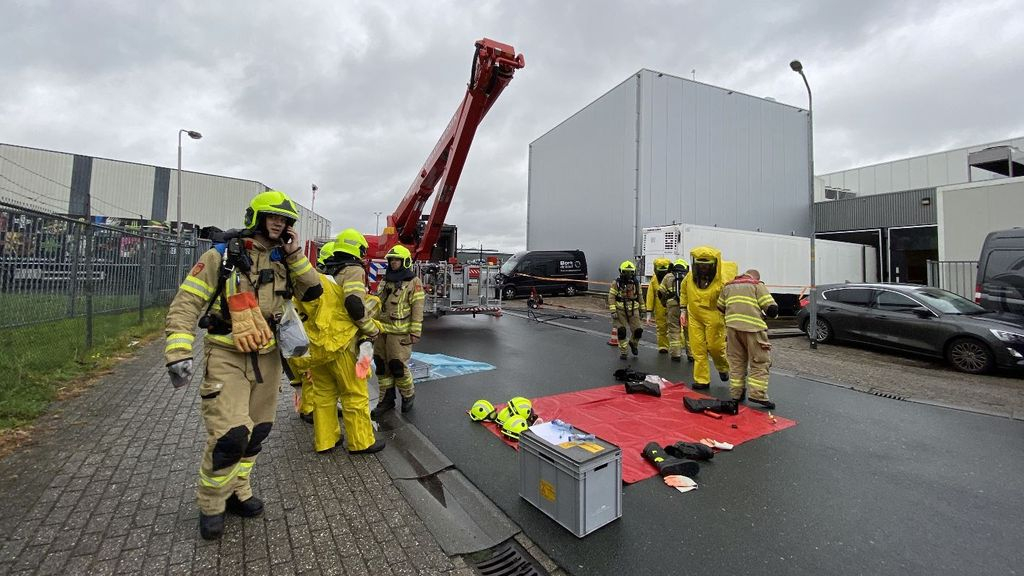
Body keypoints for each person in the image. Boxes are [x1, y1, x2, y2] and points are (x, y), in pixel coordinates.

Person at [164, 190, 322, 540]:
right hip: (227, 354)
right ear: (257, 218)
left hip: (268, 357)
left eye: (284, 220)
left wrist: (295, 254)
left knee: (257, 432)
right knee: (231, 435)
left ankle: (239, 491)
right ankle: (211, 504)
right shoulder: (221, 256)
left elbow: (313, 292)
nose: (279, 223)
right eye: (273, 217)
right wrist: (179, 350)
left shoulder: (285, 259)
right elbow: (186, 303)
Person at [296, 231, 385, 453]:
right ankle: (361, 442)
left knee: (323, 394)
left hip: (319, 346)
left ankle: (326, 440)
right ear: (357, 249)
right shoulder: (353, 270)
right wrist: (371, 329)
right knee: (354, 393)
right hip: (343, 344)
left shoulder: (324, 271)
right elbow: (354, 304)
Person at [371, 245, 425, 416]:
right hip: (382, 331)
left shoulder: (414, 282)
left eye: (397, 260)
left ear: (405, 262)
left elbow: (418, 307)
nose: (393, 262)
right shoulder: (385, 280)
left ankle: (408, 395)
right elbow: (377, 303)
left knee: (397, 366)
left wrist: (415, 331)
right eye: (391, 260)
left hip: (400, 334)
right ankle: (386, 400)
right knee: (381, 365)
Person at [290, 241, 337, 424]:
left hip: (298, 333)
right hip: (311, 336)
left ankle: (306, 407)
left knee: (304, 374)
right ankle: (309, 410)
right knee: (311, 374)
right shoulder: (324, 282)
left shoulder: (308, 278)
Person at [717, 269, 779, 408]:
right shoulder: (757, 285)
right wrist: (771, 315)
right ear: (755, 277)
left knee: (736, 362)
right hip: (754, 330)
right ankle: (757, 394)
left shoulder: (728, 286)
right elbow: (771, 309)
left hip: (732, 330)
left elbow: (720, 307)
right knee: (759, 362)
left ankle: (736, 394)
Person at [678, 246, 734, 390]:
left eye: (706, 265)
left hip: (714, 316)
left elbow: (729, 300)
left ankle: (723, 367)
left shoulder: (721, 281)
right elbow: (683, 292)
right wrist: (683, 310)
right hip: (694, 316)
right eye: (700, 265)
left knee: (715, 348)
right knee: (698, 348)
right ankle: (702, 379)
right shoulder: (690, 277)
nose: (703, 268)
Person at [608, 260, 646, 360]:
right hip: (620, 310)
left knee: (638, 330)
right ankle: (624, 351)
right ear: (621, 272)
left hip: (634, 309)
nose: (628, 275)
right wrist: (613, 310)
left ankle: (633, 343)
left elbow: (640, 296)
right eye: (626, 272)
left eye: (630, 272)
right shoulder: (616, 283)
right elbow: (611, 297)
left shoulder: (636, 283)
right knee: (621, 331)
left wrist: (643, 309)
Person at [658, 258, 691, 362]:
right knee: (689, 331)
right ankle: (691, 355)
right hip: (687, 307)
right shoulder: (689, 276)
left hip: (672, 306)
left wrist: (664, 303)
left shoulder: (668, 276)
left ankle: (676, 354)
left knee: (674, 329)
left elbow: (660, 292)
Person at [645, 258, 672, 354]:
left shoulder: (672, 278)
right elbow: (650, 295)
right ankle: (663, 346)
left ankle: (675, 345)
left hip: (671, 306)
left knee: (674, 327)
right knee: (661, 327)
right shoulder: (654, 280)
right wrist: (649, 311)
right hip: (660, 307)